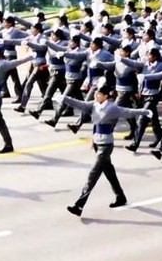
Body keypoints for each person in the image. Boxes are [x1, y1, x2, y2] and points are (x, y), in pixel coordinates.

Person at [57, 81, 151, 216]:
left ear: (106, 96)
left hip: (106, 145)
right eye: (96, 93)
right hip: (97, 143)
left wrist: (144, 111)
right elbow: (80, 104)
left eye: (99, 94)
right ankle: (121, 197)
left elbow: (128, 112)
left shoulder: (112, 108)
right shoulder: (94, 105)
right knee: (109, 173)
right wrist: (64, 98)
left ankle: (79, 205)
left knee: (92, 176)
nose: (96, 95)